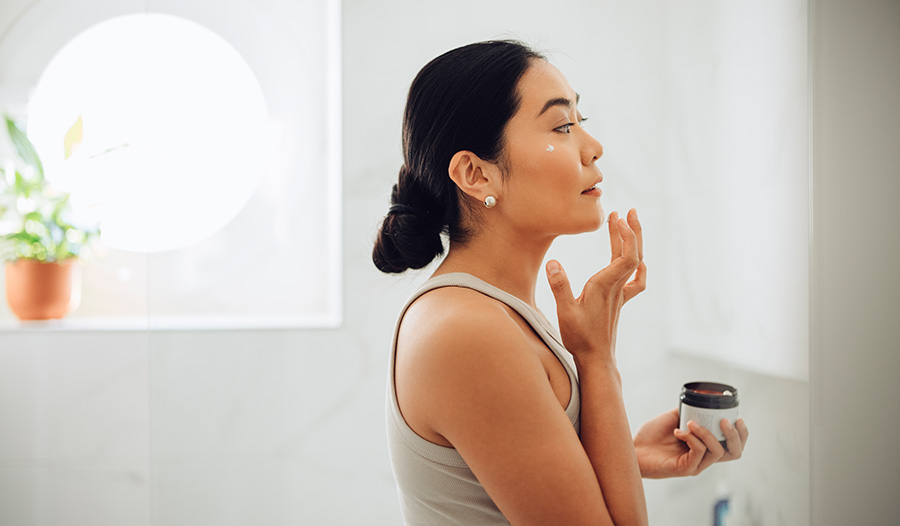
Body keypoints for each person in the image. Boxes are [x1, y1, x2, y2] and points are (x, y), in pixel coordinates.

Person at [373, 40, 749, 526]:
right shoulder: (469, 332)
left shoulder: (487, 314)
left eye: (580, 122)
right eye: (562, 126)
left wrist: (625, 456)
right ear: (475, 174)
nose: (592, 147)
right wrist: (596, 360)